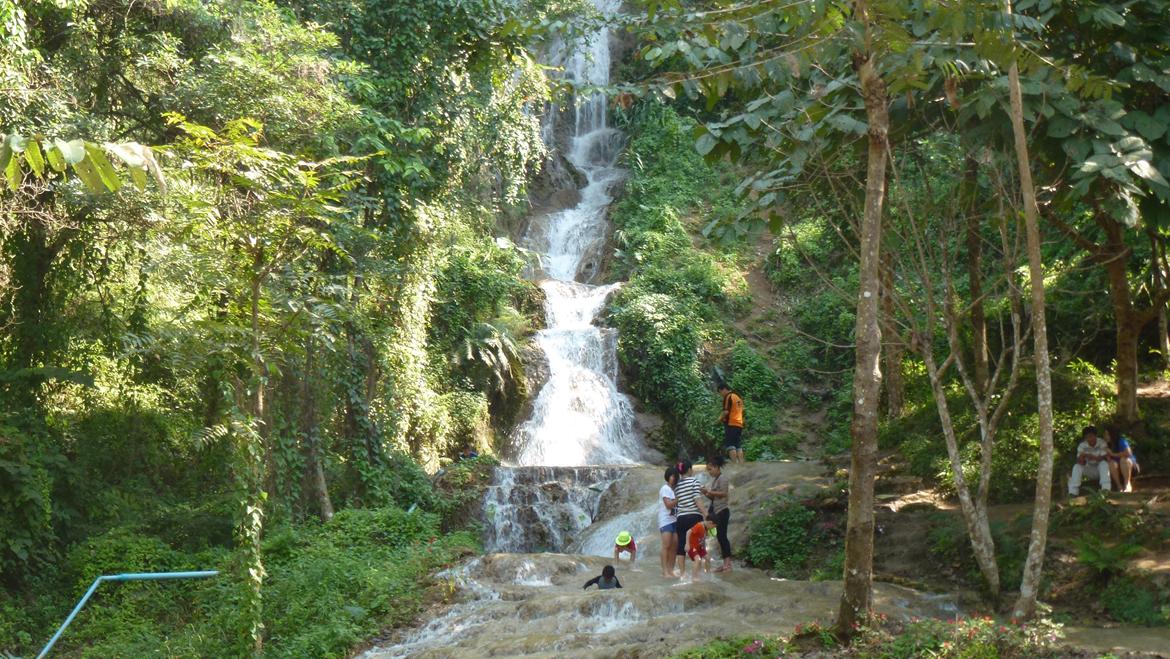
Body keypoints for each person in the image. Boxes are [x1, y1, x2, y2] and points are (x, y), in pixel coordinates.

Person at [700, 456, 732, 572]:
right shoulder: (716, 480)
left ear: (717, 467)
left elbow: (724, 493)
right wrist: (705, 493)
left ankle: (727, 564)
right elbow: (713, 497)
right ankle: (724, 564)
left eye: (710, 469)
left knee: (722, 537)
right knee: (719, 537)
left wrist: (709, 491)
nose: (709, 472)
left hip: (722, 511)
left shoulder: (723, 478)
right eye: (708, 469)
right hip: (716, 511)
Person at [673, 461, 704, 576]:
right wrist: (705, 513)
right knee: (698, 544)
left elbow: (677, 502)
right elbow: (697, 499)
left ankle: (682, 574)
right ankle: (697, 574)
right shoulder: (694, 481)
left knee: (681, 546)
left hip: (681, 518)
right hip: (694, 517)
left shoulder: (677, 485)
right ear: (690, 470)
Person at [1069, 425, 1111, 496]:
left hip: (1100, 469)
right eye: (1087, 437)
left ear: (1095, 435)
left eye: (1091, 436)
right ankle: (1073, 493)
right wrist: (1082, 457)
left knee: (1103, 464)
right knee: (1077, 467)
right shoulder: (1082, 445)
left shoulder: (1102, 442)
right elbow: (1080, 462)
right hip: (1090, 469)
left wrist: (1089, 456)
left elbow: (1103, 458)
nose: (1089, 439)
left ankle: (1105, 490)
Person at [1104, 425, 1139, 493]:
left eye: (1107, 434)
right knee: (1111, 463)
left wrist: (1113, 454)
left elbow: (1128, 453)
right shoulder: (1106, 445)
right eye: (1105, 434)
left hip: (1130, 467)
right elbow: (1108, 459)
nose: (1105, 436)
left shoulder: (1121, 441)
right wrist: (1107, 455)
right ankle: (1119, 486)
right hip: (1117, 470)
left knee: (1123, 460)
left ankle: (1127, 484)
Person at [658, 466, 679, 578]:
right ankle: (665, 571)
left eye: (675, 476)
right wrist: (678, 498)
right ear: (667, 476)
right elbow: (668, 505)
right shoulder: (665, 488)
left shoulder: (674, 490)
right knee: (666, 545)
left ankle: (671, 570)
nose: (673, 478)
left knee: (674, 546)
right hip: (665, 520)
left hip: (674, 520)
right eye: (671, 475)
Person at [684, 516, 717, 582]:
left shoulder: (706, 528)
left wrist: (704, 549)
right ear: (710, 523)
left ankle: (707, 573)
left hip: (699, 547)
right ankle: (694, 577)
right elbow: (688, 532)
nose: (713, 528)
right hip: (692, 546)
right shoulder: (699, 525)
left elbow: (703, 539)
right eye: (713, 526)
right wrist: (687, 544)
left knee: (708, 558)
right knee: (698, 560)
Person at [718, 384, 745, 464]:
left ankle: (734, 465)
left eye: (720, 392)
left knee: (730, 445)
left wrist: (719, 419)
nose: (721, 394)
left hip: (731, 424)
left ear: (724, 389)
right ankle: (741, 464)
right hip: (739, 424)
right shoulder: (738, 397)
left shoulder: (728, 396)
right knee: (738, 445)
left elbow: (726, 411)